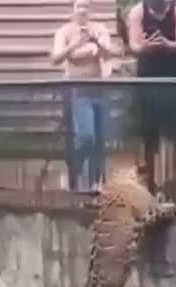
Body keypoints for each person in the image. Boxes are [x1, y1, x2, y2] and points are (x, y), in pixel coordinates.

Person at [128, 0, 176, 196]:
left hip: (174, 80)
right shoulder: (137, 11)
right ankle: (149, 184)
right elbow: (134, 45)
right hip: (147, 81)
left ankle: (173, 186)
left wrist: (167, 44)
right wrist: (145, 46)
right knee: (148, 137)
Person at [52, 0, 117, 191]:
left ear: (91, 10)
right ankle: (75, 172)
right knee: (86, 136)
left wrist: (96, 42)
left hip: (100, 88)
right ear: (72, 10)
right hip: (78, 90)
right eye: (79, 6)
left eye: (86, 7)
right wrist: (75, 45)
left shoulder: (100, 29)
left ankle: (95, 182)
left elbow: (109, 54)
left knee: (100, 139)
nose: (83, 11)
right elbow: (55, 58)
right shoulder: (64, 32)